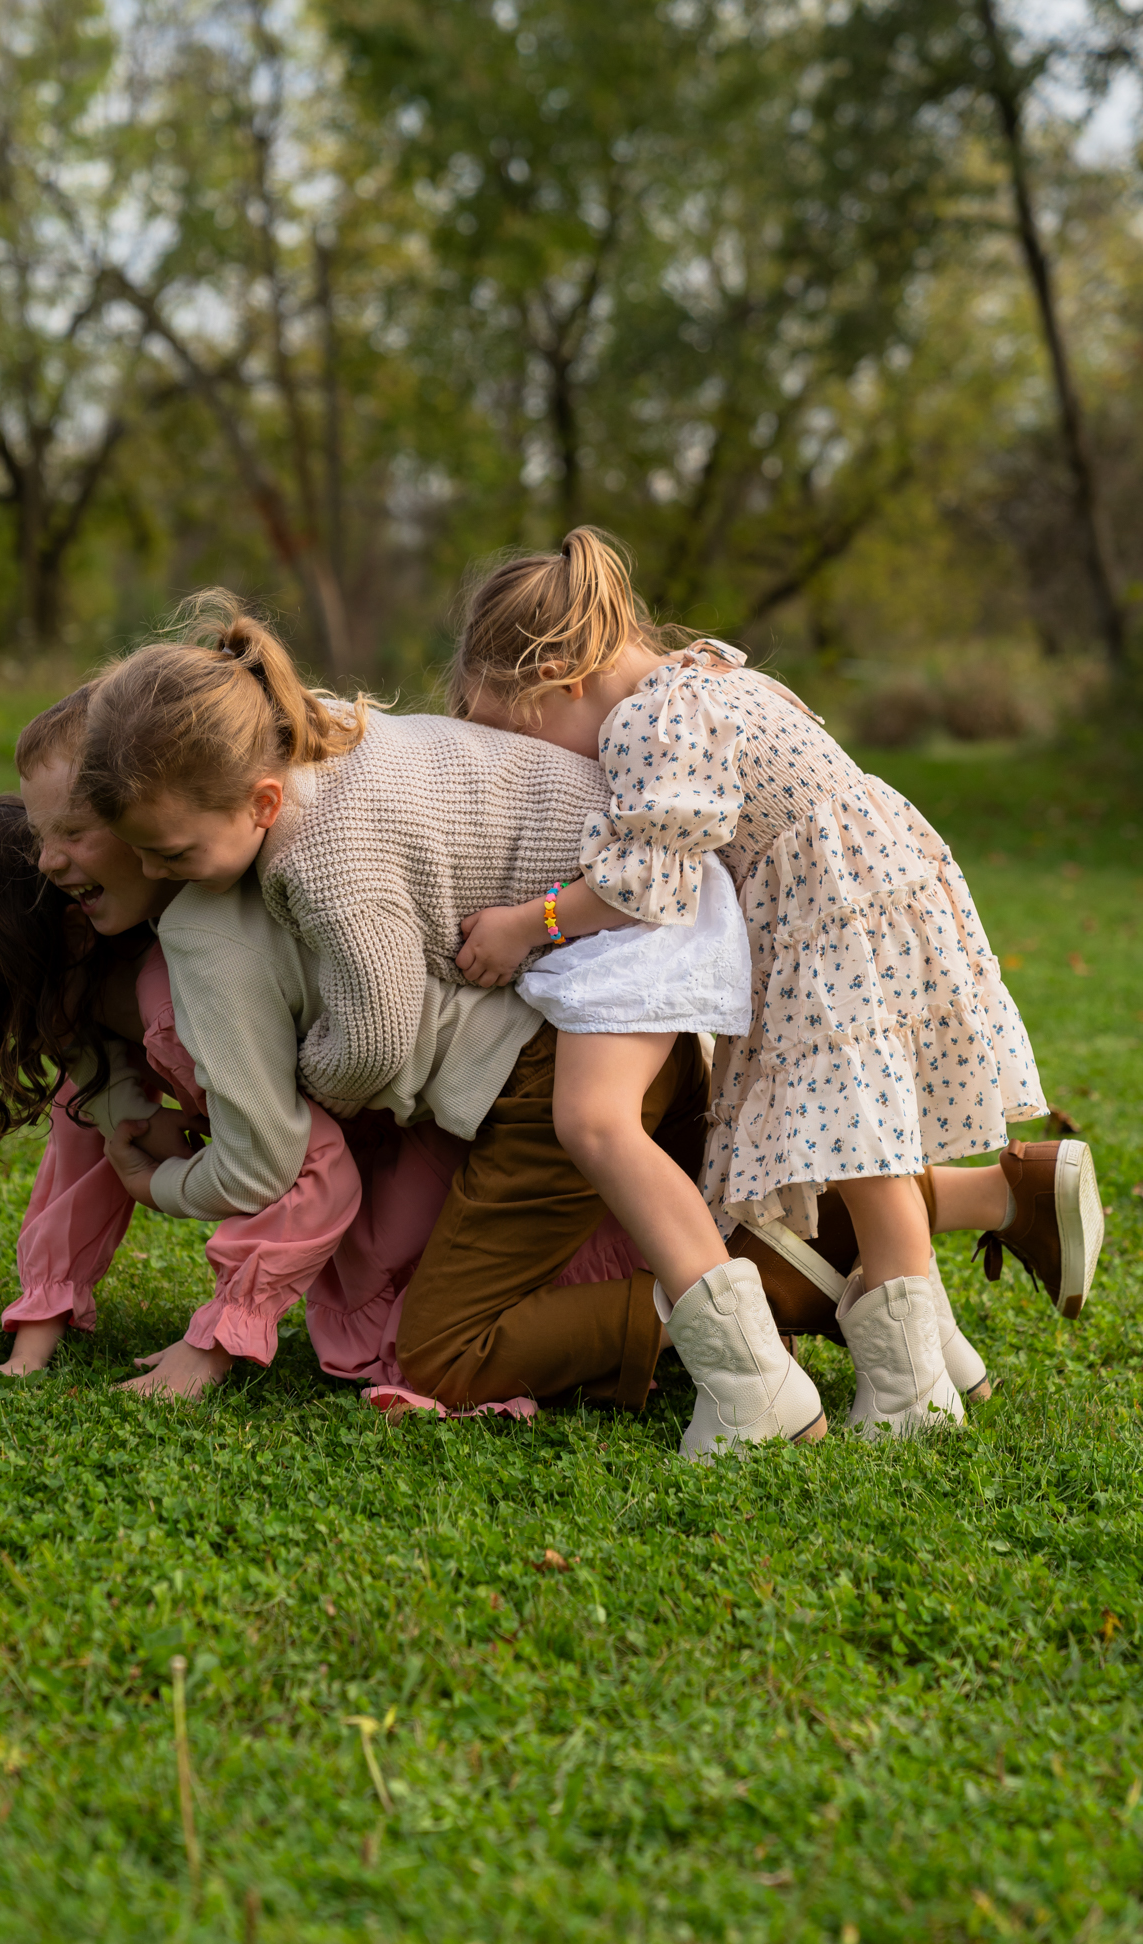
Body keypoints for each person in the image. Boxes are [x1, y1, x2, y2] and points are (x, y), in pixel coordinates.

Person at [448, 526, 1101, 1447]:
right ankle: (931, 1366)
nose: (560, 760)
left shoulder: (647, 718)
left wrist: (528, 924)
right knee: (856, 1136)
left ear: (558, 674)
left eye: (524, 729)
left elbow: (647, 883)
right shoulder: (706, 674)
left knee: (865, 1148)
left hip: (827, 912)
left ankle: (914, 1391)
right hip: (868, 888)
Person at [75, 595, 743, 1431]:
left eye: (171, 853)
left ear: (263, 803)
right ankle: (773, 1276)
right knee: (713, 1194)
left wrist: (308, 1082)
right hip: (626, 1003)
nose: (151, 870)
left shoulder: (325, 860)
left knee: (443, 1354)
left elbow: (377, 1034)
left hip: (591, 1018)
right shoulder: (296, 728)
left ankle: (739, 1312)